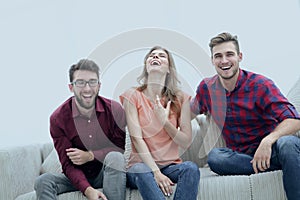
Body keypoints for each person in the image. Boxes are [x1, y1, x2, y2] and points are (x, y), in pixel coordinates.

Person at [190, 32, 300, 200]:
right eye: (218, 56)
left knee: (288, 143)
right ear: (212, 61)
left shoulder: (261, 85)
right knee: (215, 158)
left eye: (229, 54)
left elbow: (293, 120)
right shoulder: (207, 88)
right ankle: (266, 166)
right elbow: (187, 113)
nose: (224, 60)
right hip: (242, 157)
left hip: (272, 150)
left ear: (239, 56)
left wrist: (268, 141)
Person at [34, 59, 127, 200]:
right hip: (76, 178)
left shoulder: (115, 110)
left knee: (115, 157)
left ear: (99, 85)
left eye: (92, 82)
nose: (87, 89)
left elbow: (119, 149)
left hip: (106, 174)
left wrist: (90, 155)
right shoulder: (58, 118)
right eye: (80, 83)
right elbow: (67, 165)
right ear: (71, 87)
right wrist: (88, 190)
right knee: (43, 181)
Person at [120, 46, 200, 200]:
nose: (155, 57)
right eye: (152, 56)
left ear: (169, 69)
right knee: (142, 171)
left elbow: (185, 141)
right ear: (146, 66)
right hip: (140, 167)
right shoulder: (132, 96)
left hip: (170, 166)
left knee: (191, 168)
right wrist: (155, 172)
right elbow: (137, 139)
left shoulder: (181, 98)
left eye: (161, 56)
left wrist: (165, 122)